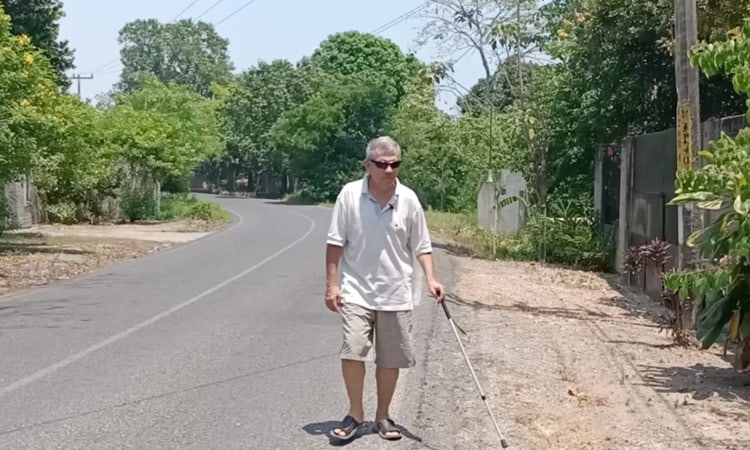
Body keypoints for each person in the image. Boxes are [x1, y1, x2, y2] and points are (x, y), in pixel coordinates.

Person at [324, 136, 445, 442]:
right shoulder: (350, 195)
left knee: (390, 358)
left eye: (394, 164)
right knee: (353, 350)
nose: (389, 170)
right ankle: (355, 413)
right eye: (382, 164)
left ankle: (383, 416)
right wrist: (332, 284)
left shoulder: (409, 199)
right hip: (356, 291)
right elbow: (335, 242)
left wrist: (431, 278)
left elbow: (422, 245)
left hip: (396, 292)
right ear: (368, 165)